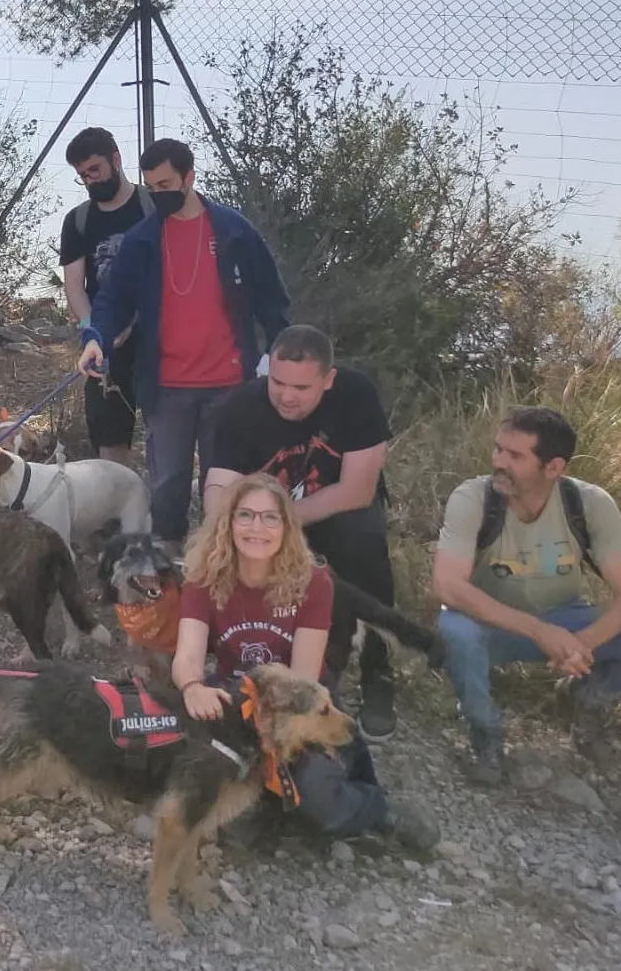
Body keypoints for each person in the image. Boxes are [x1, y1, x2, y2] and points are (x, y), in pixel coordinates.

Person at [173, 475, 437, 851]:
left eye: (270, 517)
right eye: (244, 515)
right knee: (193, 773)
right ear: (227, 522)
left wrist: (267, 740)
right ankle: (269, 806)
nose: (256, 528)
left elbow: (303, 681)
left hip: (301, 705)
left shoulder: (312, 582)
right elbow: (188, 656)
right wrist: (193, 687)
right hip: (235, 699)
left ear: (287, 526)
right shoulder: (202, 580)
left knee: (318, 798)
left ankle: (376, 811)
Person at [78, 137, 291, 548]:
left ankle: (223, 573)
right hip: (168, 386)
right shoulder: (142, 240)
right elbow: (113, 299)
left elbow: (270, 297)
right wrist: (95, 339)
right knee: (168, 488)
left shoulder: (233, 231)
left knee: (226, 490)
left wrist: (277, 354)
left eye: (165, 185)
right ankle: (168, 575)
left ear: (189, 177)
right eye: (151, 187)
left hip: (230, 385)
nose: (158, 194)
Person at [202, 325, 400, 742]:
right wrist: (234, 525)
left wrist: (275, 523)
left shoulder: (355, 396)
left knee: (365, 545)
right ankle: (242, 662)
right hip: (265, 519)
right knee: (221, 553)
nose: (286, 396)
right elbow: (219, 486)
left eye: (301, 387)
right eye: (277, 382)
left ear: (328, 380)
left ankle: (378, 671)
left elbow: (357, 490)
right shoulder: (240, 408)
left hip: (335, 509)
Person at [433, 406, 621, 784]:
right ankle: (485, 735)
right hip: (491, 625)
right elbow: (447, 586)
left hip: (565, 619)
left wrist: (580, 644)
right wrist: (540, 632)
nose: (499, 462)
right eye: (498, 449)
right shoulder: (473, 498)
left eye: (514, 456)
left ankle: (590, 702)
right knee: (455, 630)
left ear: (554, 467)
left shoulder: (589, 504)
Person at [58, 127, 153, 467]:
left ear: (116, 159)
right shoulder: (78, 221)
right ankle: (117, 514)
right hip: (104, 343)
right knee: (109, 437)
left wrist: (134, 321)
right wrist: (92, 331)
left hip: (157, 336)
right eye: (82, 176)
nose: (89, 181)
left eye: (94, 170)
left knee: (164, 433)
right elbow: (74, 285)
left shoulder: (152, 206)